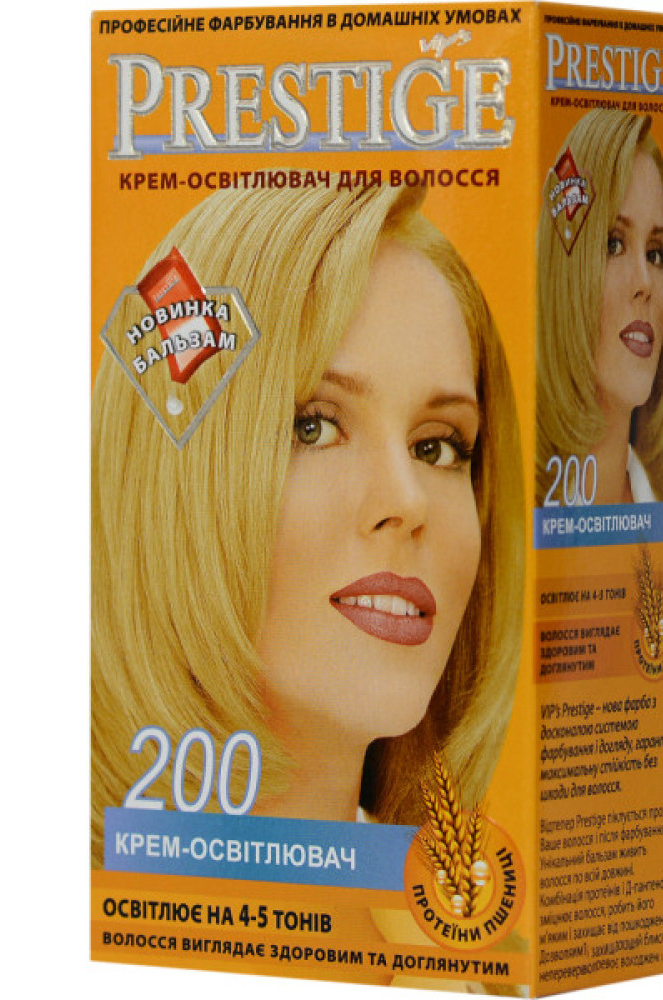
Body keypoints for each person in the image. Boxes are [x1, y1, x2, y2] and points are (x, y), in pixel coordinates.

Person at [91, 180, 523, 863]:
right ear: (178, 481)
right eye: (314, 426)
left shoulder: (448, 913)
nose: (407, 501)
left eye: (438, 447)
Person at [536, 110, 663, 505]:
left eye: (656, 254)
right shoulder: (515, 510)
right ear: (565, 273)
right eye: (614, 244)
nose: (644, 283)